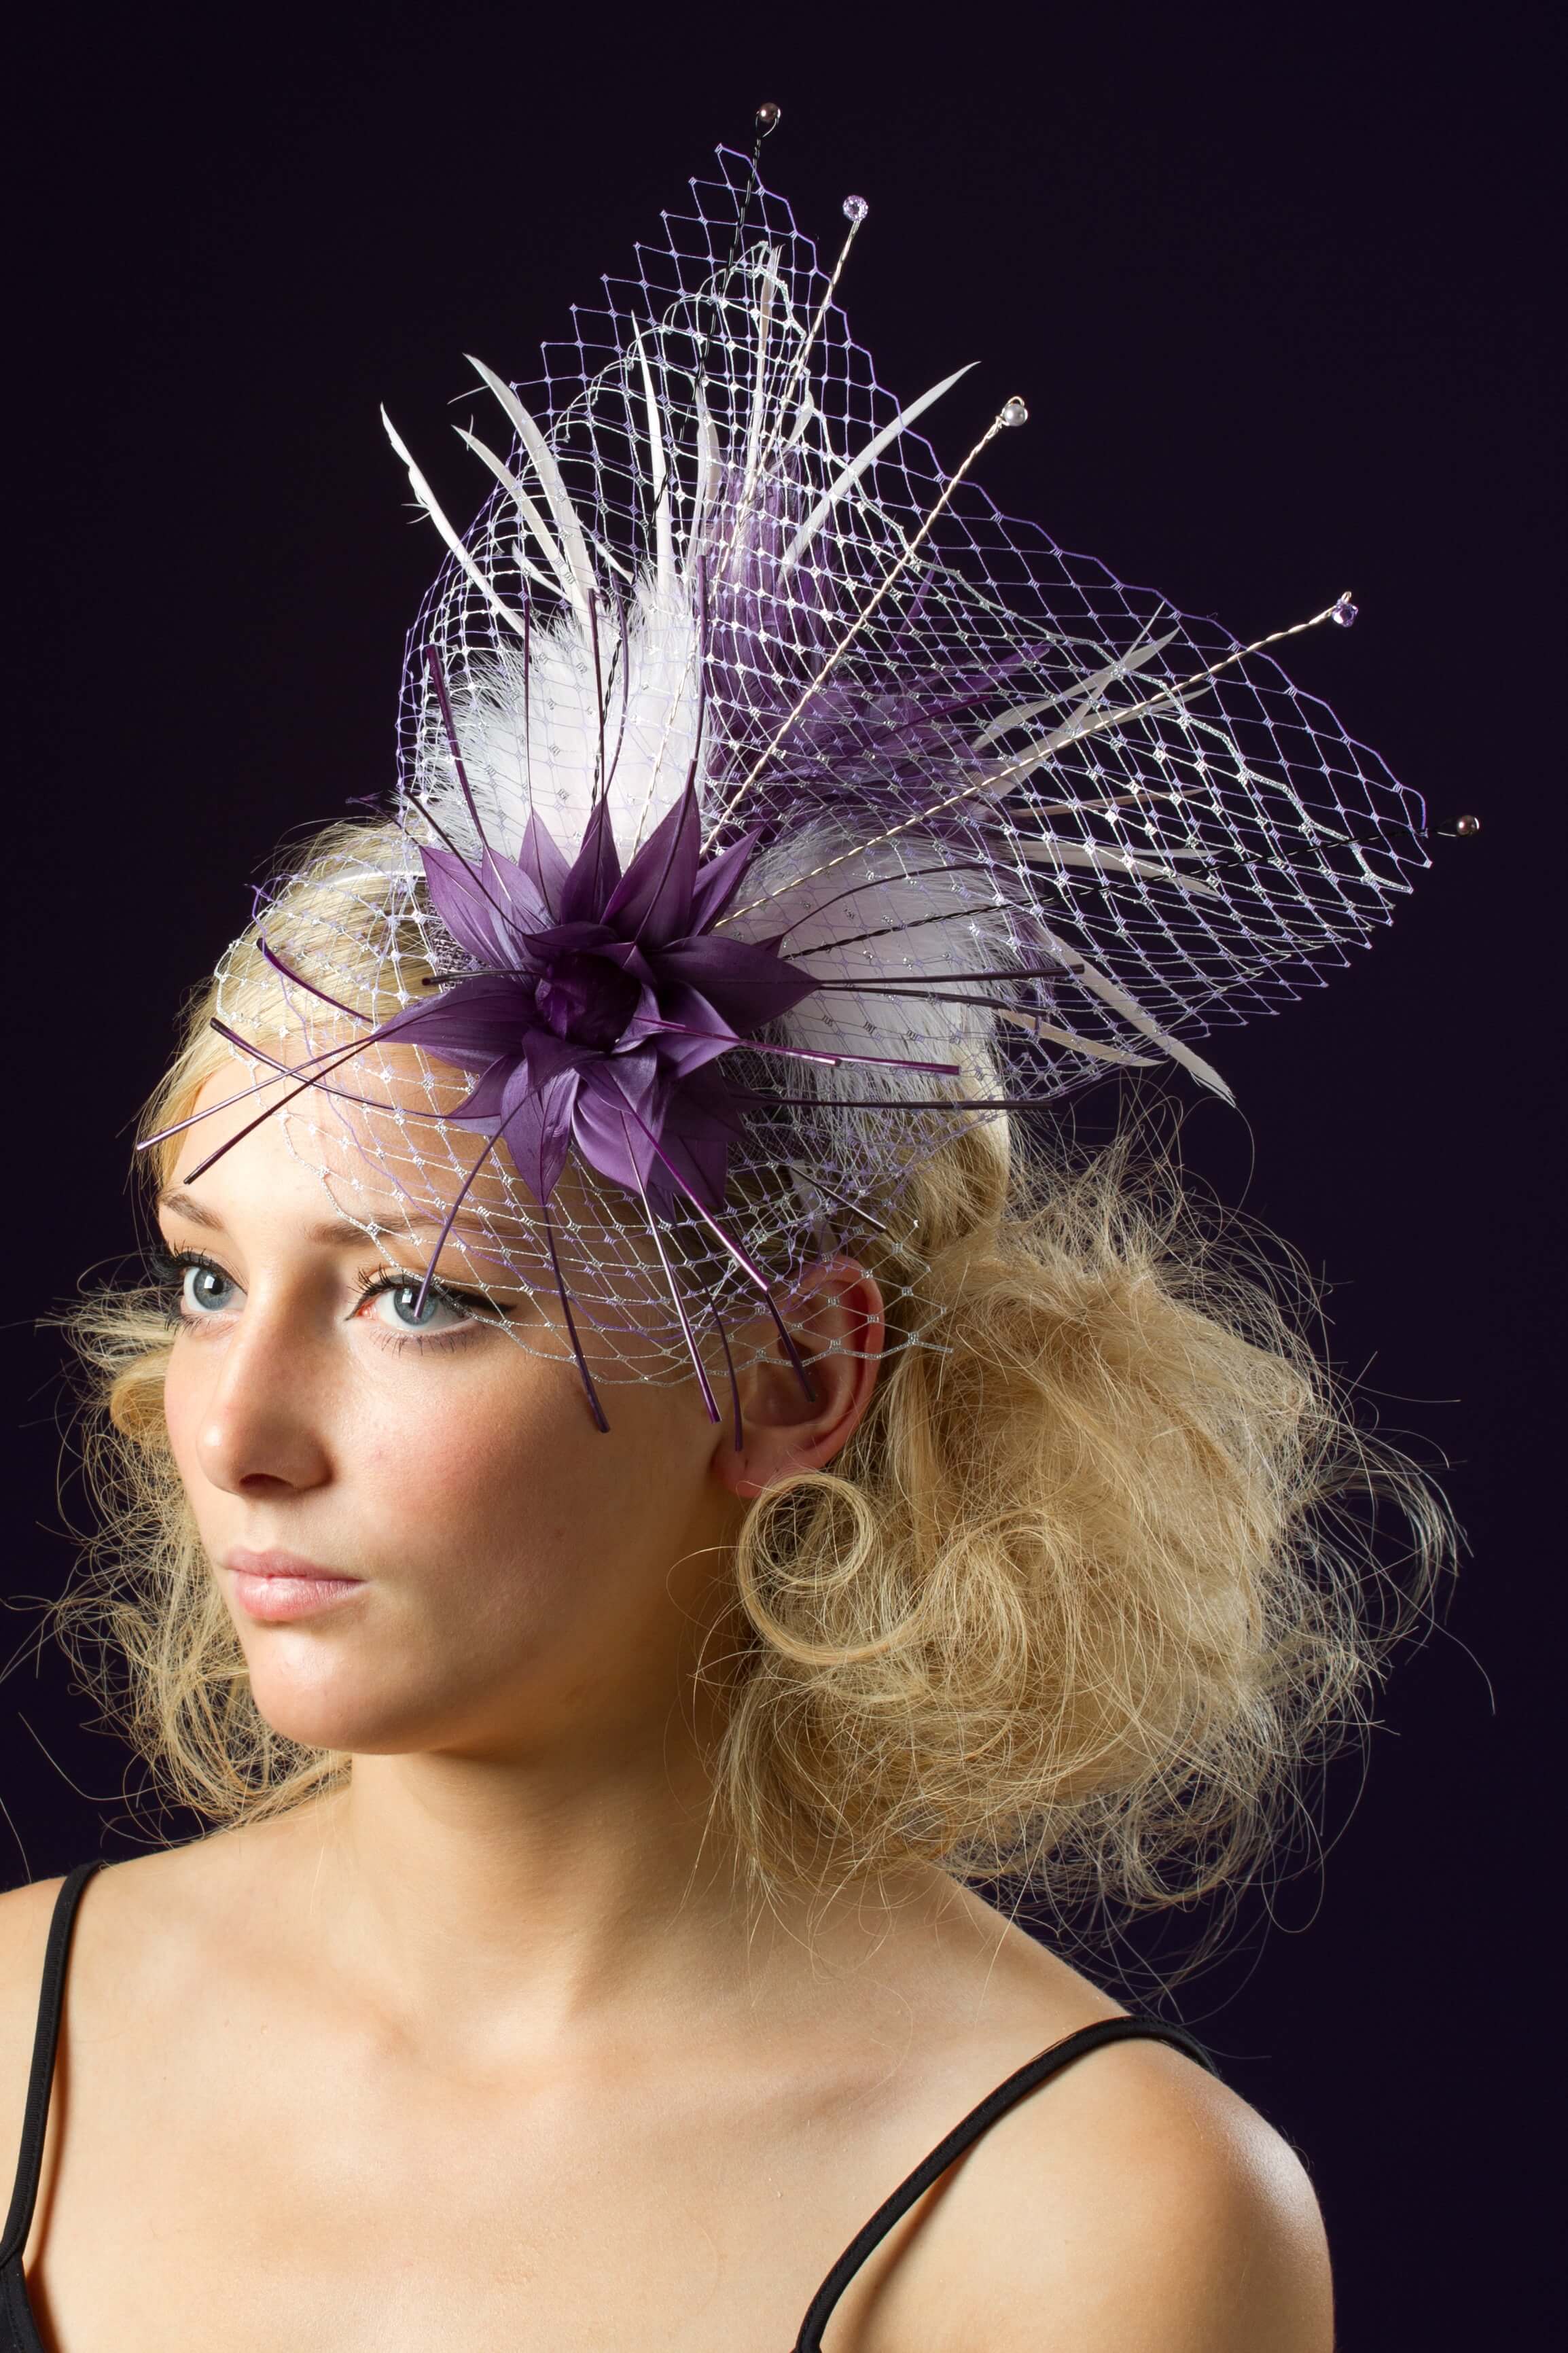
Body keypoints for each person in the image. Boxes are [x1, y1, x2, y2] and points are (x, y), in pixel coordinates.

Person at [0, 135, 1441, 2349]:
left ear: (789, 1377)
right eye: (211, 1275)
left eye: (418, 1296)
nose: (231, 1429)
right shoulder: (14, 2036)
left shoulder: (1087, 2227)